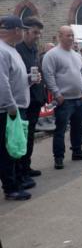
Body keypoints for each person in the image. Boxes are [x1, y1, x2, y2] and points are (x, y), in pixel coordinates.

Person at [42, 26, 82, 170]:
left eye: (72, 35)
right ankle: (59, 157)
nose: (71, 38)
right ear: (59, 36)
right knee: (60, 130)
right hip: (64, 100)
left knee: (78, 127)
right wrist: (57, 94)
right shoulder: (52, 55)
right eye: (68, 35)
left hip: (79, 98)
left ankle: (77, 151)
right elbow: (48, 75)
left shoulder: (76, 55)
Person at [0, 15, 33, 200]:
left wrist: (28, 79)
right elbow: (2, 82)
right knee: (7, 150)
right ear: (15, 30)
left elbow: (13, 78)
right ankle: (10, 188)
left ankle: (16, 181)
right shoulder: (1, 51)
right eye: (22, 29)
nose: (23, 32)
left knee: (15, 147)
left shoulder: (11, 50)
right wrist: (11, 106)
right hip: (8, 110)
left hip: (16, 107)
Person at [15, 17, 45, 186]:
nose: (37, 36)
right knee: (23, 137)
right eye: (35, 32)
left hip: (35, 99)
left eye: (39, 33)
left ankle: (26, 167)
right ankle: (20, 171)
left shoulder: (33, 49)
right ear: (25, 31)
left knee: (30, 136)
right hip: (24, 101)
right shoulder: (18, 50)